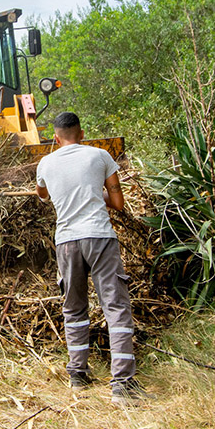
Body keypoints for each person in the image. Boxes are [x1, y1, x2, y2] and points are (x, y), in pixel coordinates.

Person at [35, 112, 148, 406]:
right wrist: (96, 192)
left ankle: (78, 375)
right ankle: (122, 384)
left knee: (73, 308)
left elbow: (42, 194)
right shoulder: (100, 156)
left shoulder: (46, 163)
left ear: (56, 138)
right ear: (82, 133)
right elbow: (119, 203)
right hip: (100, 237)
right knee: (116, 308)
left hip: (67, 243)